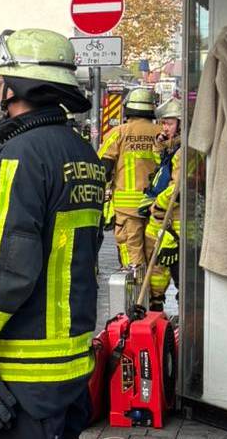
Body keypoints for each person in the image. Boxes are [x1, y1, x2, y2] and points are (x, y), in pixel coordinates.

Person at [0, 28, 105, 438]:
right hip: (69, 361)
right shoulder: (79, 151)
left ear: (15, 87)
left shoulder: (22, 154)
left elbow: (7, 265)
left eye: (1, 82)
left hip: (26, 367)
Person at [97, 88, 161, 273]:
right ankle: (154, 297)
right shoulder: (161, 133)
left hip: (127, 207)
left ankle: (133, 291)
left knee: (130, 248)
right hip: (157, 205)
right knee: (154, 250)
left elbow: (103, 168)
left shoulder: (118, 133)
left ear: (128, 109)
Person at [138, 98, 182, 309]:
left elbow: (178, 186)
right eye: (163, 123)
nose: (165, 127)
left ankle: (184, 311)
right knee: (156, 265)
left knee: (174, 265)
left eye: (170, 123)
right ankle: (156, 304)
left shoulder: (183, 152)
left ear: (182, 124)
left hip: (174, 220)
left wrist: (158, 205)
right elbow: (161, 170)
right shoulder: (170, 148)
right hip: (161, 218)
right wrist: (159, 145)